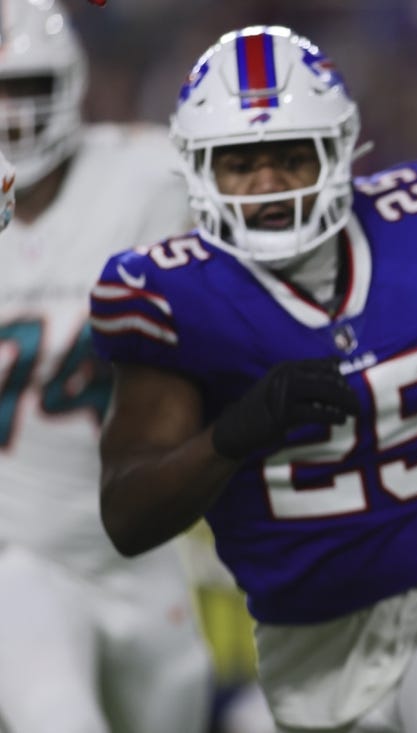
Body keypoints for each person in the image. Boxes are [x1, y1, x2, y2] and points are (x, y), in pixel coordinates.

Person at [90, 25, 417, 733]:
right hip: (309, 645)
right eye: (241, 162)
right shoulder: (169, 295)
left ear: (339, 152)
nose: (268, 184)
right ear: (200, 169)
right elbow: (126, 516)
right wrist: (233, 434)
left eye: (291, 157)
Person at [0, 1, 211, 731]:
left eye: (21, 87)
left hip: (139, 548)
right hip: (21, 557)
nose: (10, 117)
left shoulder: (150, 176)